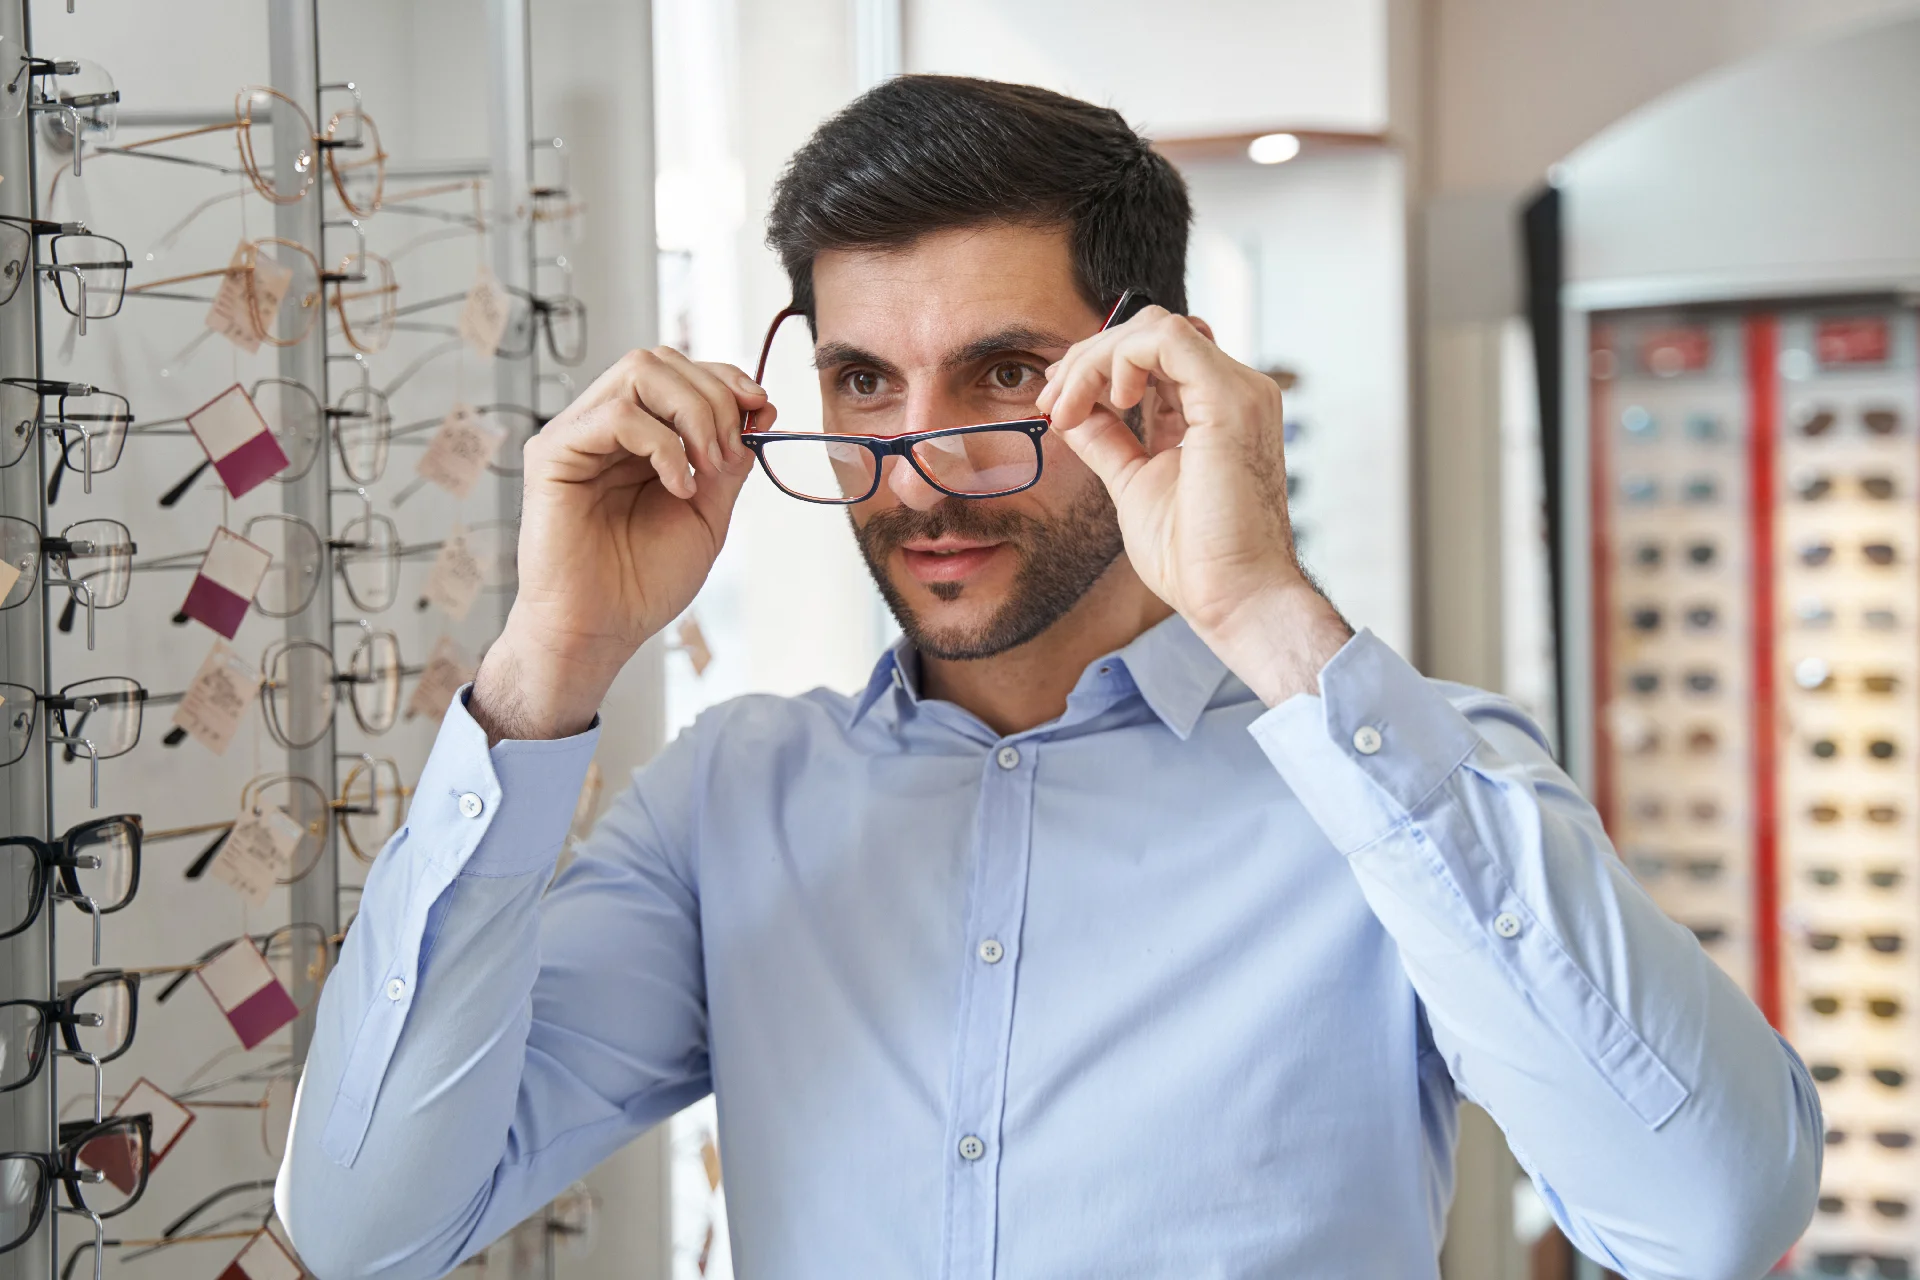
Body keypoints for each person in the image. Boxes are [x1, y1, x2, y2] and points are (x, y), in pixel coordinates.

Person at [277, 76, 1820, 1280]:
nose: (922, 472)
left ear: (1156, 369)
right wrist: (554, 658)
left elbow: (1704, 1216)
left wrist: (1262, 602)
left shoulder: (1399, 780)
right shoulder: (731, 802)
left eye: (1005, 375)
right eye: (864, 382)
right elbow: (368, 1226)